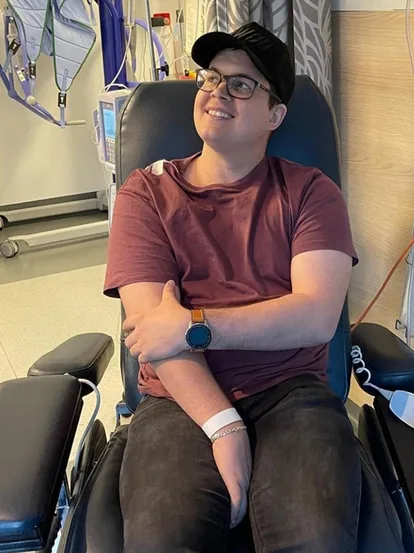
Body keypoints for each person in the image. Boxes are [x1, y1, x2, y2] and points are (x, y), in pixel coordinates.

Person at [104, 23, 362, 553]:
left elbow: (315, 316)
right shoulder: (145, 194)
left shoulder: (312, 192)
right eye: (212, 78)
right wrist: (225, 426)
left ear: (275, 115)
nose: (217, 91)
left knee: (314, 541)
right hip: (178, 398)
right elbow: (154, 335)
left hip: (292, 392)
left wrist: (194, 326)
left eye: (241, 84)